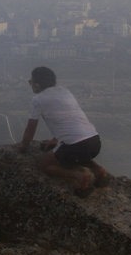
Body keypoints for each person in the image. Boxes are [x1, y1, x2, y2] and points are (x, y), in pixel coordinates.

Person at [17, 66, 110, 195]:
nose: (30, 84)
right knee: (75, 154)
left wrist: (23, 147)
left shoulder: (37, 100)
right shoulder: (65, 91)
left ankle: (79, 177)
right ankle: (99, 170)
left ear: (37, 85)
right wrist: (56, 140)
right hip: (94, 141)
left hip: (75, 146)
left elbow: (30, 129)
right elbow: (68, 119)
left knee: (43, 164)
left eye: (30, 82)